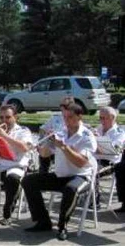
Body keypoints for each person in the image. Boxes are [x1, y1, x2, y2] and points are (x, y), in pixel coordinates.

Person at [22, 103, 97, 241]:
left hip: (81, 175)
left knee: (70, 189)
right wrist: (44, 144)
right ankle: (43, 221)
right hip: (61, 175)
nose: (66, 121)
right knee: (28, 181)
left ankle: (62, 226)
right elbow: (45, 155)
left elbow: (80, 162)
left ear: (80, 117)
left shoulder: (87, 136)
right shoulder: (61, 132)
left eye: (70, 117)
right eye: (64, 117)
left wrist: (63, 146)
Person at [93, 107, 125, 210]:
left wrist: (96, 142)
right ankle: (83, 196)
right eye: (100, 118)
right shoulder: (98, 128)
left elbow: (114, 150)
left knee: (93, 172)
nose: (101, 121)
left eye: (104, 118)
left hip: (110, 162)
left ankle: (94, 202)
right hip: (95, 159)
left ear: (112, 118)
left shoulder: (119, 132)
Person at [38, 96, 75, 173]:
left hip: (66, 146)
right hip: (52, 146)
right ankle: (43, 173)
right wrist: (45, 135)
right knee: (45, 147)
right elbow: (42, 129)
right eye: (61, 106)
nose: (62, 108)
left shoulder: (75, 119)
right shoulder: (55, 118)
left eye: (65, 106)